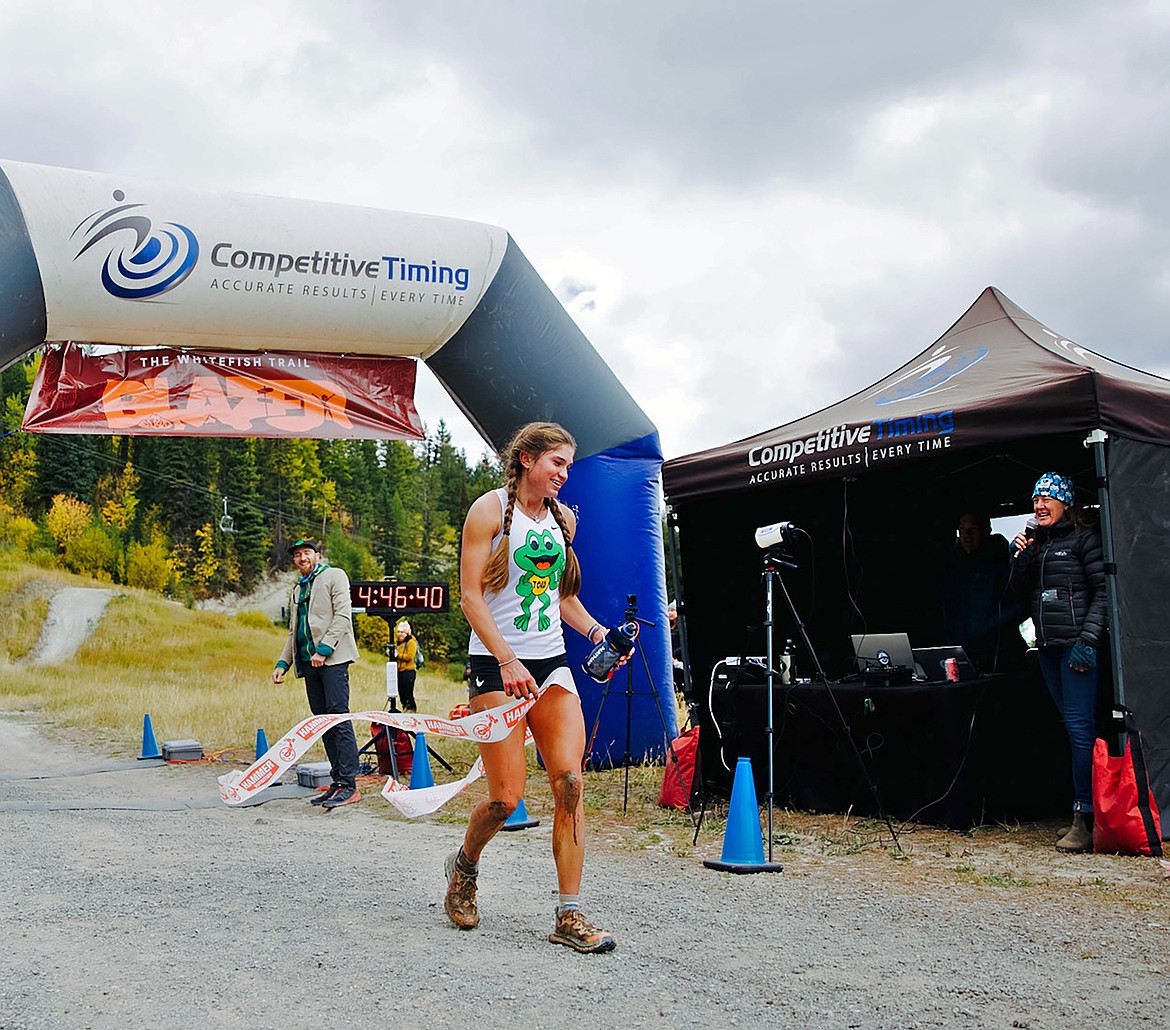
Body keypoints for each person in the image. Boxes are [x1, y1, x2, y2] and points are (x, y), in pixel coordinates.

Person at [444, 421, 621, 953]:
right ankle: (464, 867)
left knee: (569, 781)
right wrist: (507, 659)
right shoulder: (490, 510)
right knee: (506, 798)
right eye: (556, 464)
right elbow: (471, 596)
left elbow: (558, 596)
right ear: (525, 459)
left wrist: (597, 633)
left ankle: (569, 915)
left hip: (553, 664)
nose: (564, 475)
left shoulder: (563, 521)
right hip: (496, 666)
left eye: (568, 465)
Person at [1011, 473, 1106, 853]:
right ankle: (1083, 811)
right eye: (1036, 499)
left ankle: (1085, 819)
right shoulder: (1039, 544)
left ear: (1066, 503)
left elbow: (1103, 591)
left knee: (1081, 730)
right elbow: (1018, 594)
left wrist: (1088, 641)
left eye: (1048, 499)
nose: (1040, 505)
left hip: (1076, 648)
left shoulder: (1084, 539)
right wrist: (1021, 558)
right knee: (1070, 728)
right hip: (1048, 649)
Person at [272, 539, 362, 810]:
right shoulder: (298, 589)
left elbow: (343, 617)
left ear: (316, 555)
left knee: (337, 717)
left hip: (332, 659)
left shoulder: (334, 576)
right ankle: (336, 781)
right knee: (322, 721)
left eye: (306, 553)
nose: (302, 558)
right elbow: (293, 631)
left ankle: (349, 784)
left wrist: (324, 650)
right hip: (309, 663)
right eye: (297, 555)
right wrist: (282, 663)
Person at [939, 512, 1023, 673]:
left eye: (973, 530)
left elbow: (1020, 604)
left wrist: (988, 627)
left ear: (986, 531)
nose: (966, 536)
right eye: (962, 530)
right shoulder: (952, 567)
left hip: (1000, 652)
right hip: (961, 652)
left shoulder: (1002, 564)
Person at [394, 620, 418, 712]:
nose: (400, 634)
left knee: (408, 693)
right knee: (401, 694)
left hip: (408, 671)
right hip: (399, 671)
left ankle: (412, 710)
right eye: (399, 632)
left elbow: (410, 656)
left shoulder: (411, 643)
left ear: (407, 633)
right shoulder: (398, 644)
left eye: (402, 632)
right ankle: (405, 709)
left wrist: (398, 655)